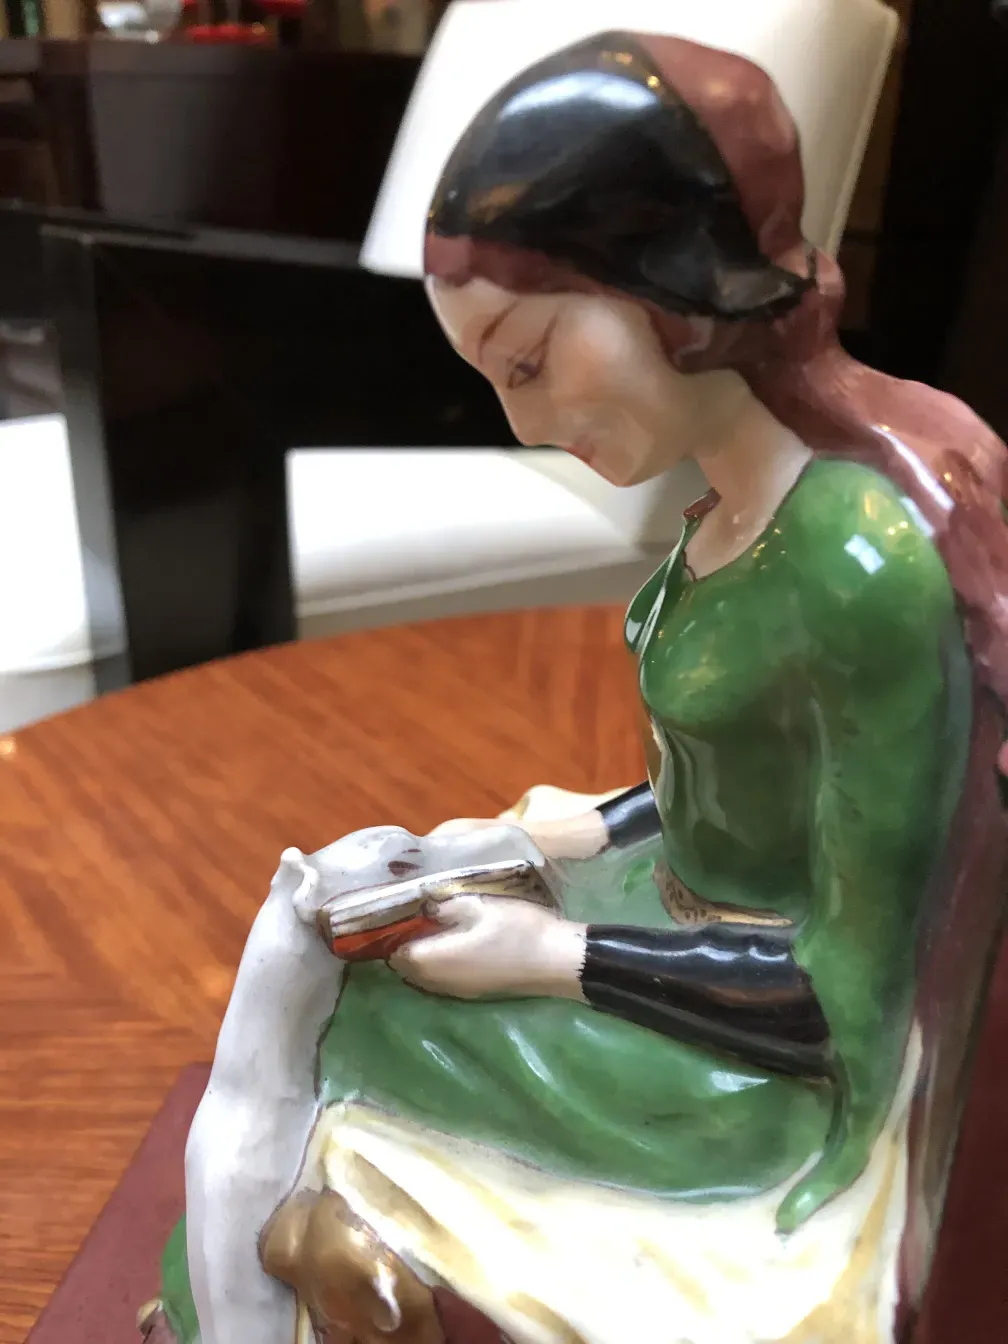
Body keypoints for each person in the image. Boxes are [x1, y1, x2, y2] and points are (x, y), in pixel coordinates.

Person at [165, 29, 1008, 1344]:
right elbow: (739, 793)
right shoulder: (722, 518)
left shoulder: (857, 564)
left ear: (667, 281)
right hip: (667, 926)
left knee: (351, 1015)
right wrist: (577, 831)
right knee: (369, 916)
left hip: (765, 1071)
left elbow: (848, 985)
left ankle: (243, 1307)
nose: (523, 422)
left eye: (531, 357)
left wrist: (558, 957)